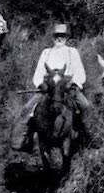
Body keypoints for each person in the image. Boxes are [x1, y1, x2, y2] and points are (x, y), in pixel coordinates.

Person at [17, 23, 89, 152]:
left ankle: (87, 138)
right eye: (57, 36)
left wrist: (74, 83)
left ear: (66, 38)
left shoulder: (72, 52)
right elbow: (39, 73)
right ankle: (26, 140)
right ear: (53, 38)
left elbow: (80, 73)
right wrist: (41, 84)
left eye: (62, 36)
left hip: (67, 88)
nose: (59, 39)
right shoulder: (46, 52)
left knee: (85, 106)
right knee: (28, 108)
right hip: (48, 89)